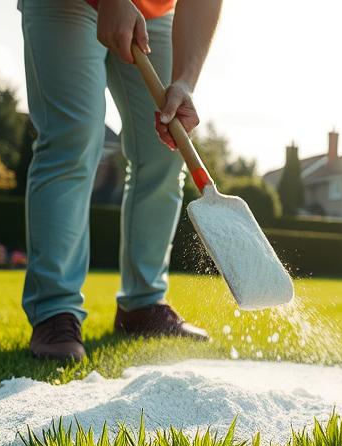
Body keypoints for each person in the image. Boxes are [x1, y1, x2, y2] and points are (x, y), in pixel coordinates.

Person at [19, 0, 222, 361]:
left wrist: (185, 80)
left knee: (166, 145)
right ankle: (55, 310)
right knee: (73, 138)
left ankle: (142, 305)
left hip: (153, 11)